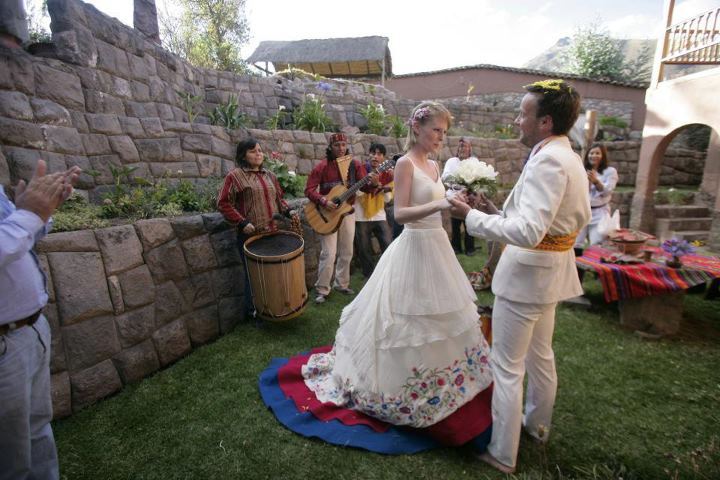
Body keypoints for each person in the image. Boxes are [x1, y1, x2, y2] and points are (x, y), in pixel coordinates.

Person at [298, 101, 493, 443]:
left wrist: (461, 204)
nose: (441, 137)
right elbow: (401, 213)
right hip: (414, 244)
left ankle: (444, 378)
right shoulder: (405, 164)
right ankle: (400, 385)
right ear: (416, 128)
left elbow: (441, 208)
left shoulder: (434, 165)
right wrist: (442, 202)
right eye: (436, 130)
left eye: (444, 132)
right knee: (407, 318)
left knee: (440, 315)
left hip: (438, 245)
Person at [449, 79, 591, 473]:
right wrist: (495, 212)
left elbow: (530, 232)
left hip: (527, 278)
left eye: (523, 114)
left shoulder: (548, 161)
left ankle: (502, 453)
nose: (516, 120)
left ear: (545, 122)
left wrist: (470, 217)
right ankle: (537, 427)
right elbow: (546, 222)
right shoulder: (567, 155)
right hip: (549, 275)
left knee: (507, 366)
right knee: (541, 356)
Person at [1, 160, 80, 480]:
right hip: (6, 345)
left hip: (28, 331)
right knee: (10, 455)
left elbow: (21, 239)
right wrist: (29, 214)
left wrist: (42, 212)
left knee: (36, 431)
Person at [217, 138, 292, 322]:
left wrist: (288, 211)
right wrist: (242, 222)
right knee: (254, 277)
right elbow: (223, 203)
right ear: (243, 156)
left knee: (271, 275)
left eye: (259, 150)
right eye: (252, 151)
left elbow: (279, 200)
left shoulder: (270, 176)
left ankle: (274, 309)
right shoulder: (235, 176)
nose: (258, 154)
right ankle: (253, 313)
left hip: (272, 233)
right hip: (250, 237)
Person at [305, 133, 378, 304]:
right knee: (328, 253)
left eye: (344, 144)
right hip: (326, 214)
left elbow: (366, 188)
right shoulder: (322, 166)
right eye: (337, 145)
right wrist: (324, 201)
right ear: (330, 147)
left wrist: (374, 183)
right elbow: (309, 190)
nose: (341, 148)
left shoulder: (354, 165)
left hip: (347, 212)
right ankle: (322, 289)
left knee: (347, 251)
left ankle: (342, 284)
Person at [354, 142, 394, 278]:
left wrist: (380, 187)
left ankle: (389, 273)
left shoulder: (387, 174)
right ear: (368, 154)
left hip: (379, 214)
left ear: (383, 158)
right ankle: (369, 277)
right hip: (361, 214)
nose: (375, 156)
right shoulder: (360, 169)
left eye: (379, 154)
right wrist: (370, 186)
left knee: (387, 244)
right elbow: (357, 192)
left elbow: (388, 198)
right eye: (373, 153)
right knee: (364, 249)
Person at [574, 143, 619, 250]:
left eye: (597, 153)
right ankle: (576, 259)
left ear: (603, 156)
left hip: (599, 212)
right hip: (582, 211)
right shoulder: (582, 170)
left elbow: (607, 191)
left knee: (597, 243)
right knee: (575, 243)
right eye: (591, 153)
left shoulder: (610, 171)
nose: (594, 155)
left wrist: (595, 181)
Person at [442, 137, 477, 256]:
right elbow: (445, 177)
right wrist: (458, 181)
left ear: (470, 148)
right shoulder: (451, 161)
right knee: (455, 223)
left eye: (465, 146)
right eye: (460, 146)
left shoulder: (474, 161)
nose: (462, 149)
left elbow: (477, 178)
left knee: (469, 222)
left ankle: (470, 248)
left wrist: (469, 189)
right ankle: (456, 247)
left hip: (469, 195)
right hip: (454, 194)